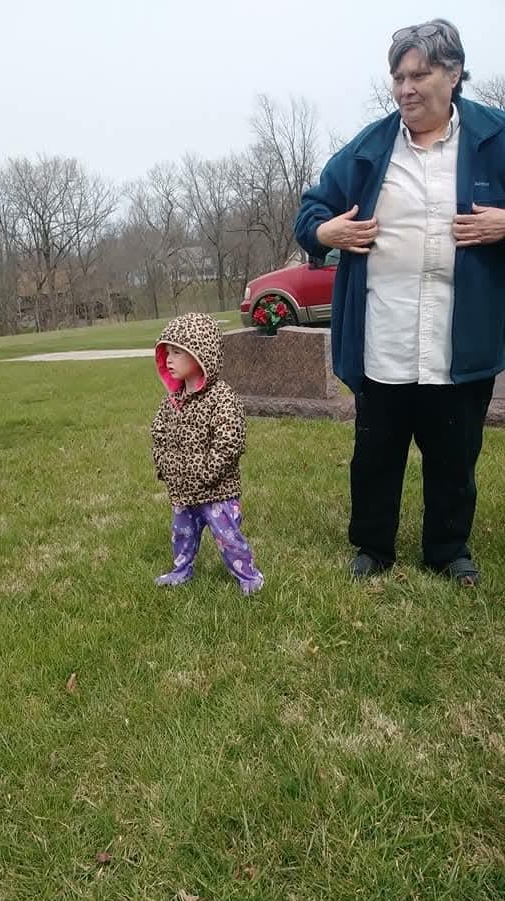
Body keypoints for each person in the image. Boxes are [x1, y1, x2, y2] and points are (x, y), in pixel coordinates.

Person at [295, 18, 505, 586]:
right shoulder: (370, 148)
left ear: (455, 73)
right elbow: (311, 211)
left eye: (420, 73)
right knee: (376, 455)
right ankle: (372, 547)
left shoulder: (495, 137)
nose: (406, 87)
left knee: (455, 456)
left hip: (460, 339)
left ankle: (447, 549)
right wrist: (326, 235)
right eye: (398, 76)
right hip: (383, 335)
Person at [151, 312, 264, 595]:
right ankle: (181, 570)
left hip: (217, 491)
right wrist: (167, 466)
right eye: (167, 352)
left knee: (228, 537)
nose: (169, 359)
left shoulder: (221, 398)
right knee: (182, 533)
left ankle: (249, 576)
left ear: (201, 355)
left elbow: (230, 441)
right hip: (183, 490)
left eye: (178, 353)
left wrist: (205, 473)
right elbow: (159, 433)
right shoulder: (172, 401)